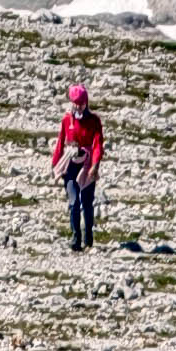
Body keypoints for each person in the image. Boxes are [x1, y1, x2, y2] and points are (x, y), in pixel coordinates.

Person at [50, 84, 106, 250]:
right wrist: (55, 164)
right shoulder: (67, 120)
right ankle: (75, 238)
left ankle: (88, 236)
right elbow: (60, 142)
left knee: (87, 202)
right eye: (75, 103)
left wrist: (95, 165)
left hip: (87, 165)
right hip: (70, 165)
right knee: (73, 202)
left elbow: (97, 145)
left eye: (80, 104)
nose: (77, 107)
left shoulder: (94, 121)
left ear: (86, 103)